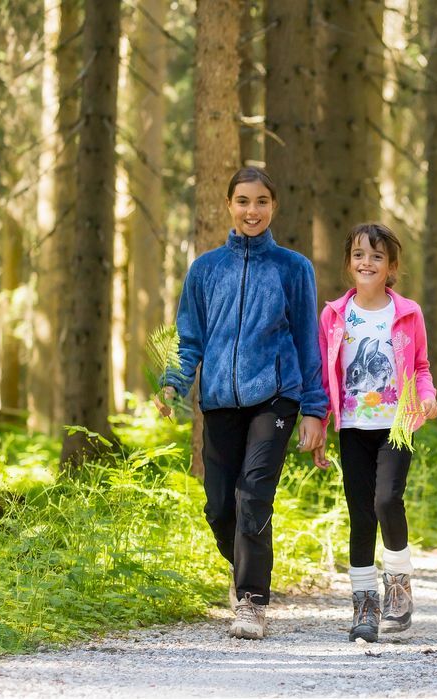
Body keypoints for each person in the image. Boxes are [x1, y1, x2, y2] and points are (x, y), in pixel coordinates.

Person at [155, 166, 328, 640]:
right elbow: (189, 338)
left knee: (253, 493)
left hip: (275, 397)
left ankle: (252, 600)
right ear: (228, 205)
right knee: (218, 507)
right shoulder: (206, 269)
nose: (253, 211)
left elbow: (308, 343)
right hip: (219, 401)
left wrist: (315, 409)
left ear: (274, 206)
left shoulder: (293, 268)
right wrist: (173, 382)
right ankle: (245, 568)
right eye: (244, 201)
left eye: (262, 202)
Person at [311, 222, 437, 643]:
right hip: (353, 428)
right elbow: (324, 376)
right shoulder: (334, 316)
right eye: (359, 255)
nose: (367, 262)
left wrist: (428, 396)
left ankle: (398, 589)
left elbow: (419, 366)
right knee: (360, 514)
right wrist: (321, 423)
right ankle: (364, 602)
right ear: (349, 263)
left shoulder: (406, 312)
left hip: (396, 425)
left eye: (377, 256)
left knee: (387, 501)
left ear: (391, 266)